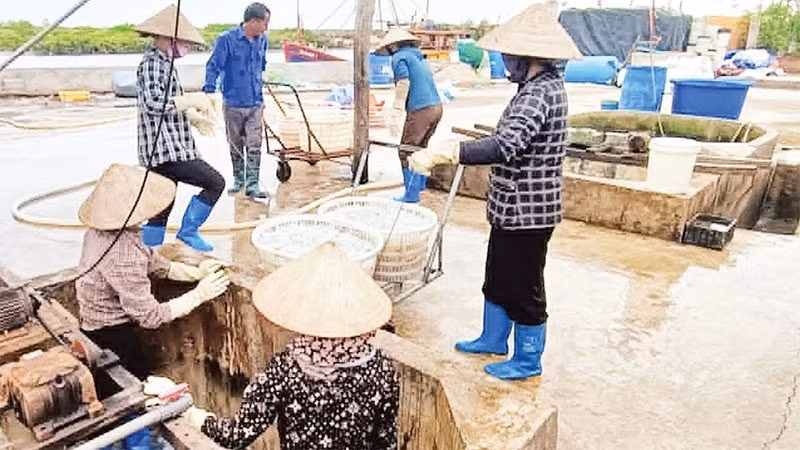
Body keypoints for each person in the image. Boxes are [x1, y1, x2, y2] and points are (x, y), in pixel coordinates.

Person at [408, 4, 582, 381]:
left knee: (524, 286)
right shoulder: (534, 87)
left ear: (528, 56)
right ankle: (493, 338)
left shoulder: (540, 93)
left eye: (508, 56)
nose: (505, 62)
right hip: (513, 209)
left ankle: (527, 360)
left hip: (528, 211)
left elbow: (506, 145)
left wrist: (451, 153)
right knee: (500, 276)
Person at [179, 243, 399, 449]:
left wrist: (193, 416)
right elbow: (386, 442)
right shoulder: (382, 369)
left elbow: (236, 436)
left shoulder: (286, 368)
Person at [76, 164, 231, 383]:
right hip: (107, 334)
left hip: (99, 321)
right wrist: (199, 295)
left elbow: (157, 265)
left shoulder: (109, 231)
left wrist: (196, 272)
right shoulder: (122, 252)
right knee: (134, 389)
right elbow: (150, 316)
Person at [134, 5, 226, 252]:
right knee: (215, 183)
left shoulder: (166, 64)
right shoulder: (153, 64)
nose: (185, 48)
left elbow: (170, 104)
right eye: (182, 42)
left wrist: (192, 115)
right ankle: (188, 232)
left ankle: (148, 251)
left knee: (163, 202)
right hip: (164, 150)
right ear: (165, 38)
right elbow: (154, 103)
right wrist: (188, 100)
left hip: (171, 145)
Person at [203, 3, 271, 200]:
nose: (266, 28)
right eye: (265, 23)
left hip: (256, 102)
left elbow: (262, 64)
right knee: (235, 143)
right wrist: (209, 91)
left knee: (254, 143)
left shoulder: (263, 40)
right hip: (233, 102)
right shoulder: (226, 40)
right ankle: (239, 179)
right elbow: (213, 66)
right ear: (253, 21)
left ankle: (252, 184)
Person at [375, 28, 442, 203]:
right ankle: (420, 186)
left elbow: (403, 85)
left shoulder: (399, 58)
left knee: (405, 151)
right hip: (436, 107)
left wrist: (395, 114)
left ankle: (411, 195)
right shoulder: (418, 57)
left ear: (393, 46)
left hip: (421, 109)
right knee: (420, 148)